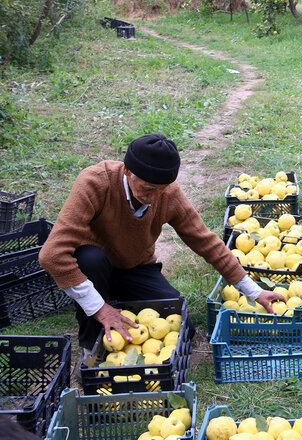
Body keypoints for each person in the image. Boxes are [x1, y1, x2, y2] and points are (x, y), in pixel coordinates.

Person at [38, 133, 283, 355]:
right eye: (147, 188)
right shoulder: (95, 183)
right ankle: (91, 343)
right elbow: (51, 255)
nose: (154, 197)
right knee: (91, 259)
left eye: (161, 190)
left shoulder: (168, 195)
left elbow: (205, 241)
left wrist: (254, 291)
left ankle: (117, 298)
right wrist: (100, 309)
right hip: (94, 268)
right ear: (126, 171)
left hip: (136, 267)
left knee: (182, 329)